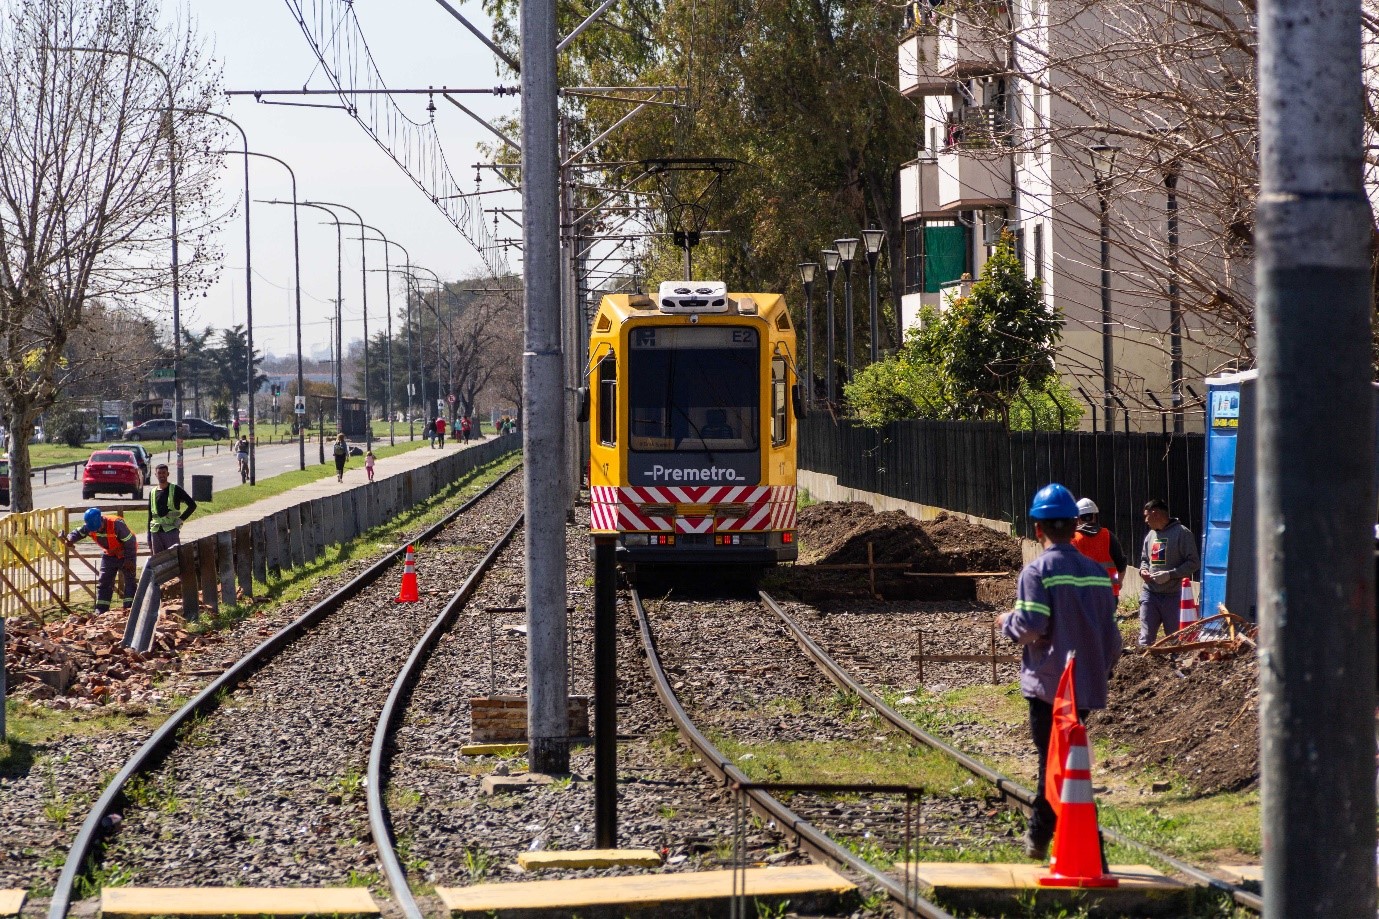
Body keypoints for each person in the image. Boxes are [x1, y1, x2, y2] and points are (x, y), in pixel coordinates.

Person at [998, 483, 1121, 861]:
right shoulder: (1098, 574)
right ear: (1074, 525)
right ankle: (1058, 841)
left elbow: (1032, 625)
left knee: (1053, 763)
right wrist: (1098, 670)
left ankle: (1051, 839)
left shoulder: (1037, 572)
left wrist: (1006, 623)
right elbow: (1112, 640)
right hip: (1083, 687)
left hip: (1048, 687)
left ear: (1038, 529)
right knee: (1066, 762)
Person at [1137, 498, 1200, 645]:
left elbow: (1194, 563)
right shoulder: (1150, 535)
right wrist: (1143, 570)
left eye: (1147, 516)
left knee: (1174, 639)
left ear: (1155, 514)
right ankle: (1143, 664)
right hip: (1150, 594)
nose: (1146, 520)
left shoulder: (1182, 534)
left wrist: (1170, 574)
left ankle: (1174, 665)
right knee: (1145, 638)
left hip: (1173, 596)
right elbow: (1144, 559)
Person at [65, 507, 138, 615]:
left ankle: (130, 609)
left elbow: (130, 542)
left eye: (98, 528)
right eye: (94, 529)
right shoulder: (89, 527)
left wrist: (129, 560)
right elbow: (77, 533)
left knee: (130, 580)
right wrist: (70, 538)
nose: (96, 531)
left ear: (101, 520)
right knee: (104, 581)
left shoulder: (116, 524)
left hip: (125, 553)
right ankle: (101, 610)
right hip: (109, 554)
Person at [1071, 498, 1128, 599]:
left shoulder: (1073, 539)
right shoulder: (1108, 536)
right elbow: (1121, 563)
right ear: (1094, 516)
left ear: (1078, 518)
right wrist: (1118, 582)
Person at [147, 463, 197, 554]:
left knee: (173, 558)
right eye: (159, 473)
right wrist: (149, 537)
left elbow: (192, 505)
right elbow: (150, 515)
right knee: (158, 561)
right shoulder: (153, 492)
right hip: (155, 532)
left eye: (163, 473)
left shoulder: (175, 489)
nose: (161, 475)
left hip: (171, 530)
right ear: (156, 475)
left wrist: (181, 519)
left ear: (168, 474)